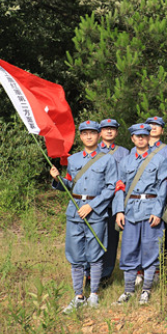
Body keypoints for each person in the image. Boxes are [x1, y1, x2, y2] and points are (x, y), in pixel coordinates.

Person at [51, 120, 119, 313]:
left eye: (92, 133)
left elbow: (111, 187)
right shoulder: (73, 160)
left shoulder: (107, 159)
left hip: (95, 211)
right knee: (75, 254)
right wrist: (57, 179)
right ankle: (78, 296)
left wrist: (92, 205)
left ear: (98, 136)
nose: (89, 136)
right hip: (75, 211)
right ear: (80, 136)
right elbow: (70, 185)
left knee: (95, 253)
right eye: (85, 133)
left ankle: (94, 295)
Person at [113, 123, 167, 305]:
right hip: (130, 211)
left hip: (151, 209)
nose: (140, 138)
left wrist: (158, 211)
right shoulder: (125, 162)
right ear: (132, 138)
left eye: (144, 135)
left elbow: (163, 187)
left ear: (148, 137)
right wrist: (119, 211)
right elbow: (120, 187)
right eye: (137, 136)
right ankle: (128, 290)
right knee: (129, 250)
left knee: (151, 250)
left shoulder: (159, 160)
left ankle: (146, 290)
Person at [97, 118, 128, 285]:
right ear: (100, 132)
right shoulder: (93, 150)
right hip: (96, 203)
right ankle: (91, 273)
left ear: (116, 132)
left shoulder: (124, 153)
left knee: (112, 240)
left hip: (115, 202)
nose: (109, 131)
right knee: (95, 238)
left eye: (112, 129)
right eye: (106, 128)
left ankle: (106, 274)